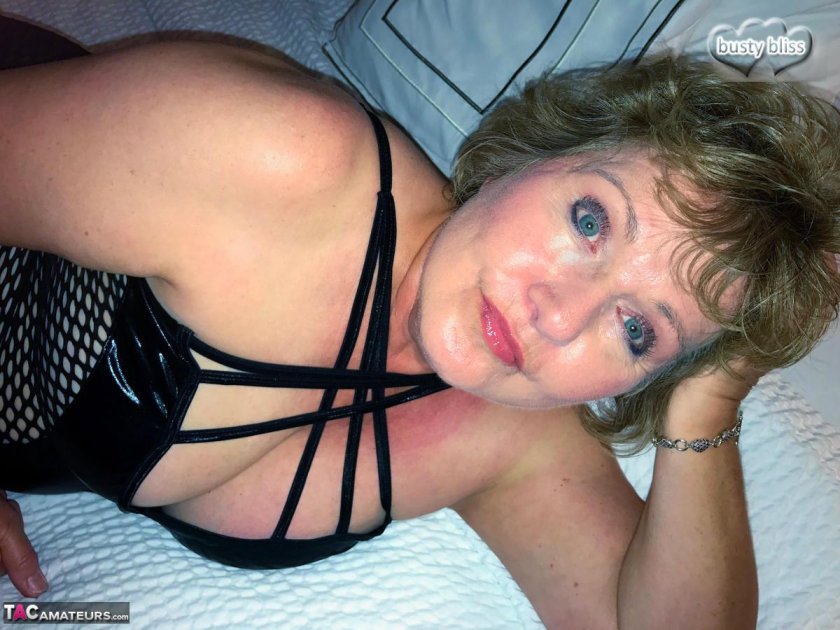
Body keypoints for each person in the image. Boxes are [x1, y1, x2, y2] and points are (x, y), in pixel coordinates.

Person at [1, 23, 838, 629]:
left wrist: (712, 394)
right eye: (591, 221)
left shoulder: (510, 424)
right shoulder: (278, 160)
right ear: (539, 154)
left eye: (639, 331)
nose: (558, 316)